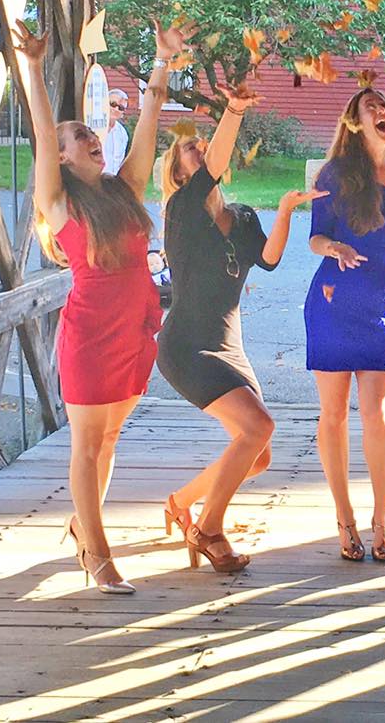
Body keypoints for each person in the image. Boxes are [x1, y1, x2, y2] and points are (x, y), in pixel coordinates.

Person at [13, 17, 190, 594]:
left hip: (136, 331)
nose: (92, 137)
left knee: (109, 441)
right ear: (63, 159)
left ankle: (80, 525)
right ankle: (97, 551)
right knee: (87, 446)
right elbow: (43, 136)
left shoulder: (124, 190)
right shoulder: (59, 204)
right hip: (89, 337)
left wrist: (162, 60)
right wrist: (34, 67)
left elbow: (150, 116)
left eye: (92, 132)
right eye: (79, 137)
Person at [157, 89, 326, 572]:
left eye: (202, 143)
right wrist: (233, 110)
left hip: (230, 346)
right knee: (259, 427)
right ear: (180, 175)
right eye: (190, 149)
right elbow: (210, 168)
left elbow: (268, 259)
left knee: (259, 455)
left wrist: (286, 210)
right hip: (187, 347)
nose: (200, 148)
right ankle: (208, 529)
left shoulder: (243, 216)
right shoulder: (181, 212)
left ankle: (180, 502)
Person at [304, 88, 385, 564]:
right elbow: (315, 237)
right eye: (371, 107)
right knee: (334, 414)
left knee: (378, 415)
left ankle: (383, 519)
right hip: (332, 304)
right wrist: (333, 248)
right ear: (355, 122)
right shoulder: (335, 174)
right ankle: (345, 519)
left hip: (379, 310)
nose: (382, 112)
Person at [103, 89, 129, 175]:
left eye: (121, 108)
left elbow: (120, 162)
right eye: (113, 104)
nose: (116, 109)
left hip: (113, 180)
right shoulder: (94, 127)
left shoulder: (122, 133)